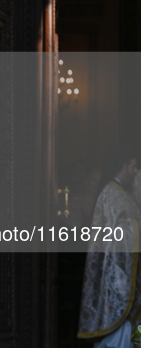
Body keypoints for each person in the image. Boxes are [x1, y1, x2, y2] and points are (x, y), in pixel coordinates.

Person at [78, 145, 141, 348]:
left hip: (131, 275)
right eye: (133, 167)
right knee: (118, 332)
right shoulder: (109, 194)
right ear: (122, 167)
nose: (135, 171)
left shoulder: (126, 194)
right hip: (117, 277)